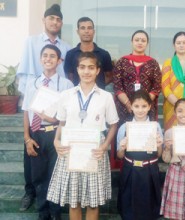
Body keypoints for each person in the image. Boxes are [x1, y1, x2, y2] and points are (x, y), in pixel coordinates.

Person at [47, 52, 119, 220]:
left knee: (92, 202)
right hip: (70, 150)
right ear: (77, 69)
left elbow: (113, 125)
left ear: (98, 70)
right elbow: (62, 123)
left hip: (95, 151)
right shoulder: (66, 95)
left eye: (91, 68)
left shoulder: (106, 97)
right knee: (74, 201)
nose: (86, 72)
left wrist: (104, 146)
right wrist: (56, 140)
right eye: (82, 67)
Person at [17, 4, 70, 211]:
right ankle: (30, 193)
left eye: (58, 19)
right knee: (32, 163)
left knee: (51, 169)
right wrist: (28, 131)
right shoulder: (31, 42)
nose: (54, 22)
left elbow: (65, 79)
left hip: (55, 110)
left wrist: (58, 117)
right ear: (44, 20)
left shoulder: (65, 46)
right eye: (51, 18)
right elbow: (24, 72)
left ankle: (53, 208)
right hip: (35, 108)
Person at [22, 44, 73, 220]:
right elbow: (26, 111)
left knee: (55, 175)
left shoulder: (66, 84)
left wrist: (56, 119)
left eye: (53, 56)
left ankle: (55, 212)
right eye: (45, 55)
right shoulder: (32, 83)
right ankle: (43, 213)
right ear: (40, 59)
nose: (48, 59)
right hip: (36, 133)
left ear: (59, 61)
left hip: (55, 134)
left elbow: (69, 113)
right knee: (38, 176)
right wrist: (27, 138)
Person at [116, 89, 163, 220]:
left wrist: (159, 144)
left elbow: (159, 155)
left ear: (149, 106)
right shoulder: (124, 127)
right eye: (136, 106)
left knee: (150, 208)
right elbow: (120, 156)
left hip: (149, 171)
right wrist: (122, 147)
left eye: (144, 106)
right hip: (130, 170)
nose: (140, 110)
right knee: (128, 207)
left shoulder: (156, 127)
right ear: (131, 106)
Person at [113, 30, 162, 126]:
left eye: (143, 40)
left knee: (147, 136)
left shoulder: (153, 63)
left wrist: (144, 104)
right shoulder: (122, 62)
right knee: (125, 135)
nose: (140, 42)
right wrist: (128, 104)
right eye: (137, 40)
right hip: (124, 107)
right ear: (132, 42)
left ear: (147, 43)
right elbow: (117, 85)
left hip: (146, 109)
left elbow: (156, 87)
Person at [64, 17, 113, 89]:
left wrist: (96, 87)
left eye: (89, 28)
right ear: (78, 31)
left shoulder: (104, 54)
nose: (86, 31)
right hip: (77, 95)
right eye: (83, 28)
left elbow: (109, 76)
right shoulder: (70, 54)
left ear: (94, 31)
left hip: (98, 95)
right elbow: (70, 76)